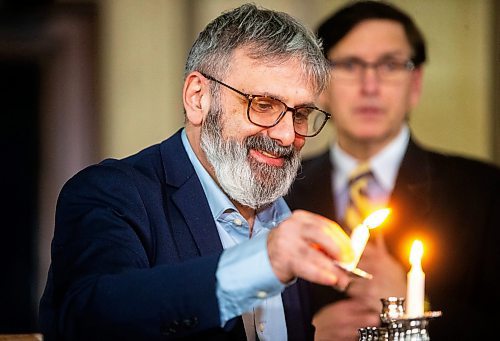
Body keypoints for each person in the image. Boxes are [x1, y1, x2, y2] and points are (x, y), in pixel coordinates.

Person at [38, 3, 357, 341]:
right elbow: (90, 318)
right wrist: (261, 264)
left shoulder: (298, 212)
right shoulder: (112, 193)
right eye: (263, 105)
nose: (287, 135)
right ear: (197, 98)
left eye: (301, 113)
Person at [285, 1, 500, 340]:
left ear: (414, 84)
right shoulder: (279, 191)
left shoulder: (485, 191)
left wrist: (416, 307)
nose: (370, 86)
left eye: (390, 65)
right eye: (350, 64)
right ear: (320, 86)